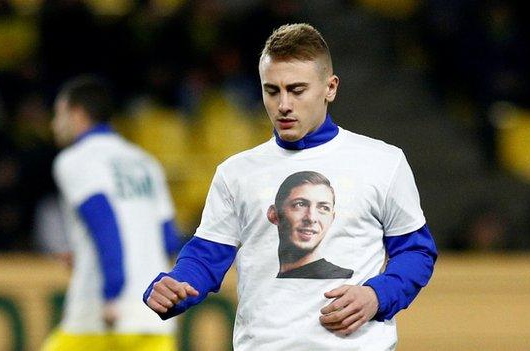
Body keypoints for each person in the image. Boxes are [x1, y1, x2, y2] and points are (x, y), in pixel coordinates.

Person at [144, 23, 437, 350]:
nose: (283, 104)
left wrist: (377, 295)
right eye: (272, 90)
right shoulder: (236, 173)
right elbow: (205, 257)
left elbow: (416, 250)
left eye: (297, 90)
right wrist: (175, 285)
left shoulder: (383, 162)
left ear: (330, 87)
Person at [42, 75, 184, 351]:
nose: (54, 124)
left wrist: (112, 293)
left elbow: (104, 223)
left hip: (99, 316)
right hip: (154, 318)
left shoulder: (75, 159)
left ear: (77, 113)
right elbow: (168, 238)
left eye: (58, 114)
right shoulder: (145, 162)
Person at [267, 170, 353, 279]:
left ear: (332, 219)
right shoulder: (262, 281)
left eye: (323, 208)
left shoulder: (346, 278)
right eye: (300, 204)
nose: (311, 218)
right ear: (274, 214)